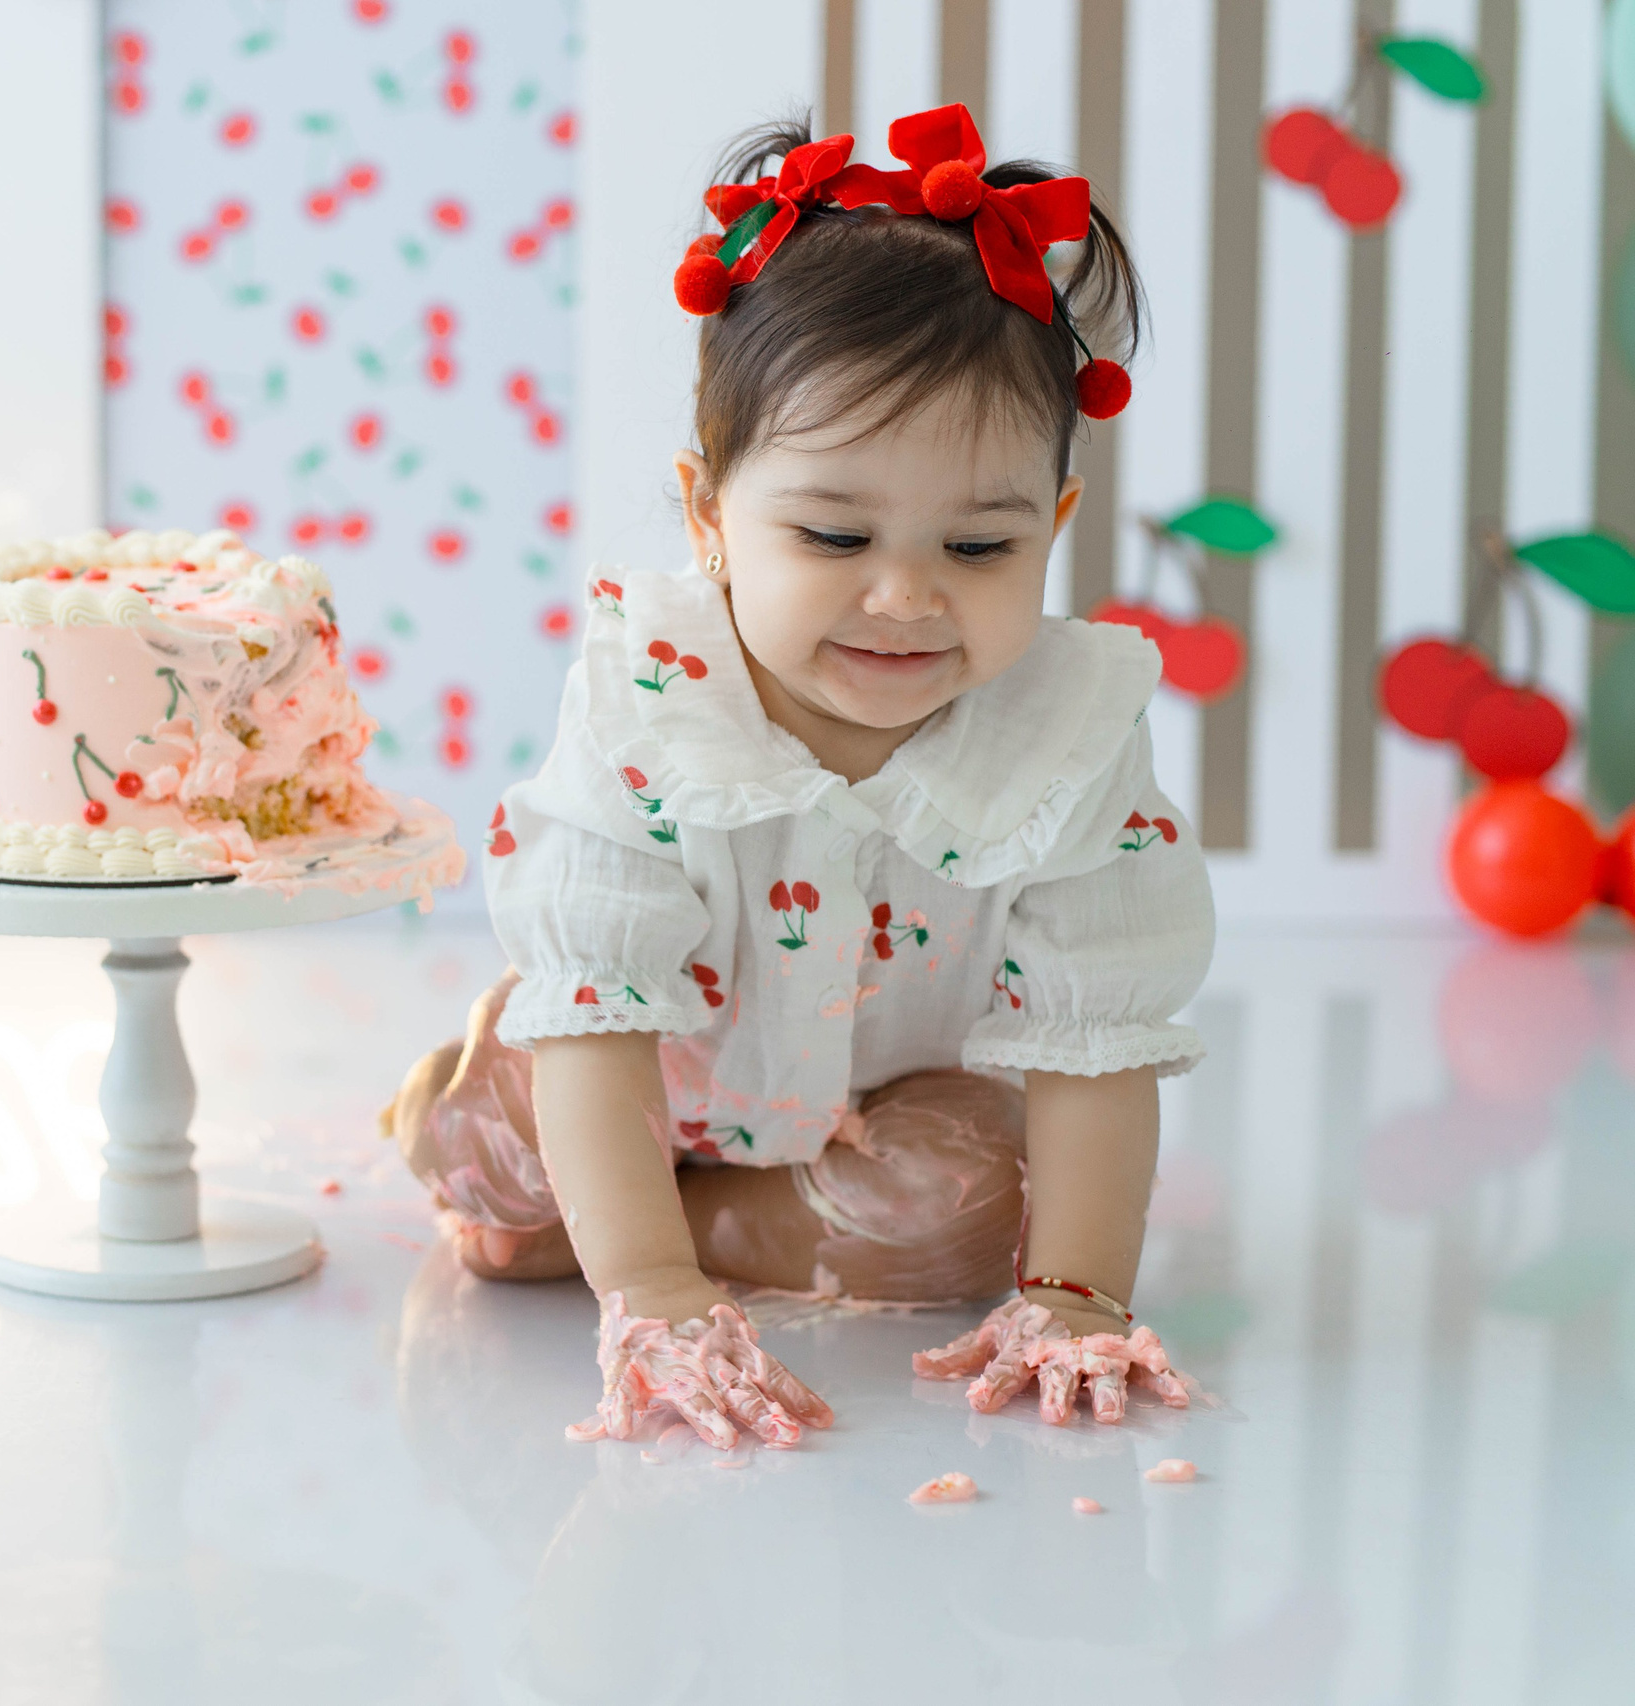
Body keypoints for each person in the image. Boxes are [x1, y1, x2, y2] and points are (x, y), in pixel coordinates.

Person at [388, 104, 1212, 1449]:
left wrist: (1074, 1292)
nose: (904, 596)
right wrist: (652, 1294)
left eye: (980, 549)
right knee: (495, 1171)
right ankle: (548, 1163)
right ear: (710, 514)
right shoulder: (654, 699)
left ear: (1055, 525)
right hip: (651, 1059)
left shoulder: (1066, 734)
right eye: (834, 533)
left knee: (979, 1211)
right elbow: (602, 1026)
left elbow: (1095, 1051)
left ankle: (681, 1216)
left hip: (878, 1102)